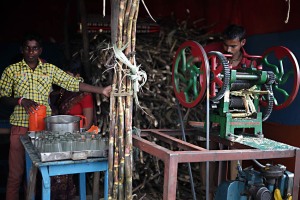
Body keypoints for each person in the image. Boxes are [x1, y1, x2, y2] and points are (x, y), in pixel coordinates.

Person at [0, 32, 111, 200]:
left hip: (43, 131)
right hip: (20, 127)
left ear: (40, 50)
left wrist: (101, 90)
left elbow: (73, 83)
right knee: (16, 174)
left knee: (37, 175)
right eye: (27, 48)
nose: (31, 52)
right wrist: (21, 101)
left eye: (35, 48)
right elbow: (3, 97)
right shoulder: (11, 71)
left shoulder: (49, 69)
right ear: (22, 50)